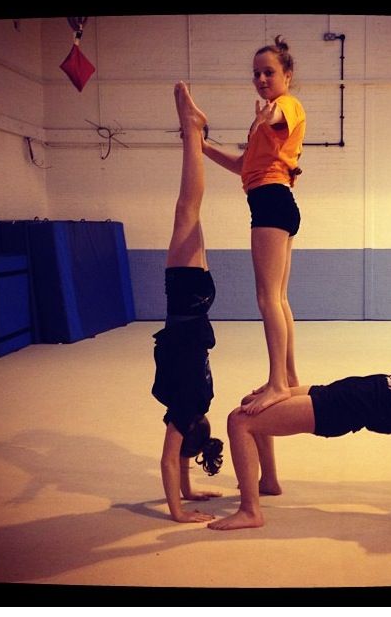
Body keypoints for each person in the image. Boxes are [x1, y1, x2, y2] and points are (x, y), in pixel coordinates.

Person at [207, 322, 391, 537]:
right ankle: (268, 481)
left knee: (240, 420)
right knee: (251, 401)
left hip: (338, 412)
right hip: (335, 392)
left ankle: (250, 511)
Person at [202, 36, 306, 416]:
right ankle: (288, 375)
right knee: (277, 299)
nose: (261, 79)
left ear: (287, 75)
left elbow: (281, 116)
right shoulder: (262, 121)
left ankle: (279, 382)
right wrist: (203, 145)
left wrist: (269, 114)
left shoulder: (286, 106)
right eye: (257, 74)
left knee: (267, 299)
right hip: (274, 201)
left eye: (269, 72)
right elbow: (243, 166)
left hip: (271, 202)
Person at [151, 81, 223, 523]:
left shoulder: (199, 402)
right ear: (186, 430)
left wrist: (191, 489)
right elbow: (167, 461)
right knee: (188, 206)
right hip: (184, 301)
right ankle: (191, 131)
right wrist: (178, 513)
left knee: (193, 212)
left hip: (199, 304)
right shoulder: (182, 408)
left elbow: (177, 459)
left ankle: (192, 135)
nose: (175, 449)